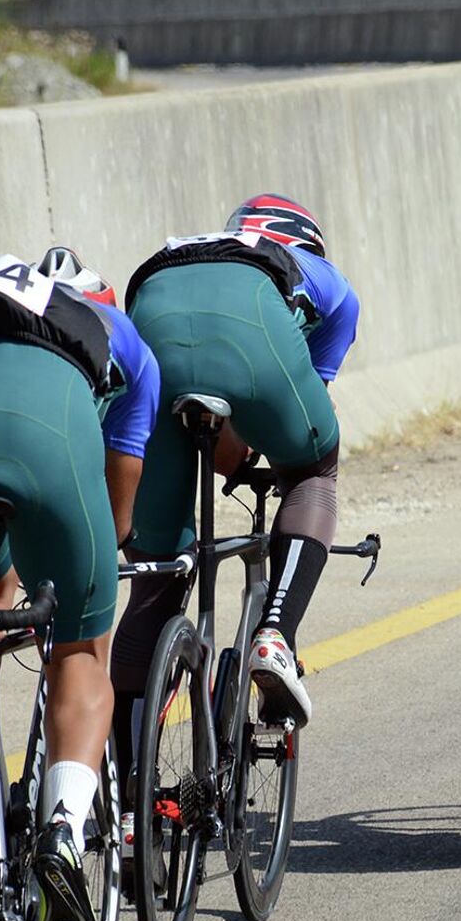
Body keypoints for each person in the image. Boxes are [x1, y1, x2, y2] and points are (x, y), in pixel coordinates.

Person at [0, 246, 157, 921]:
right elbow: (129, 442)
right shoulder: (105, 322)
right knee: (80, 653)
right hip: (53, 443)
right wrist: (113, 536)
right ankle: (65, 832)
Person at [114, 194, 359, 730]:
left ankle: (131, 796)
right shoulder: (320, 276)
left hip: (149, 317)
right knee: (314, 472)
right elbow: (297, 417)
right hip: (252, 324)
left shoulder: (196, 247)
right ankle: (275, 635)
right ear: (307, 242)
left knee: (157, 574)